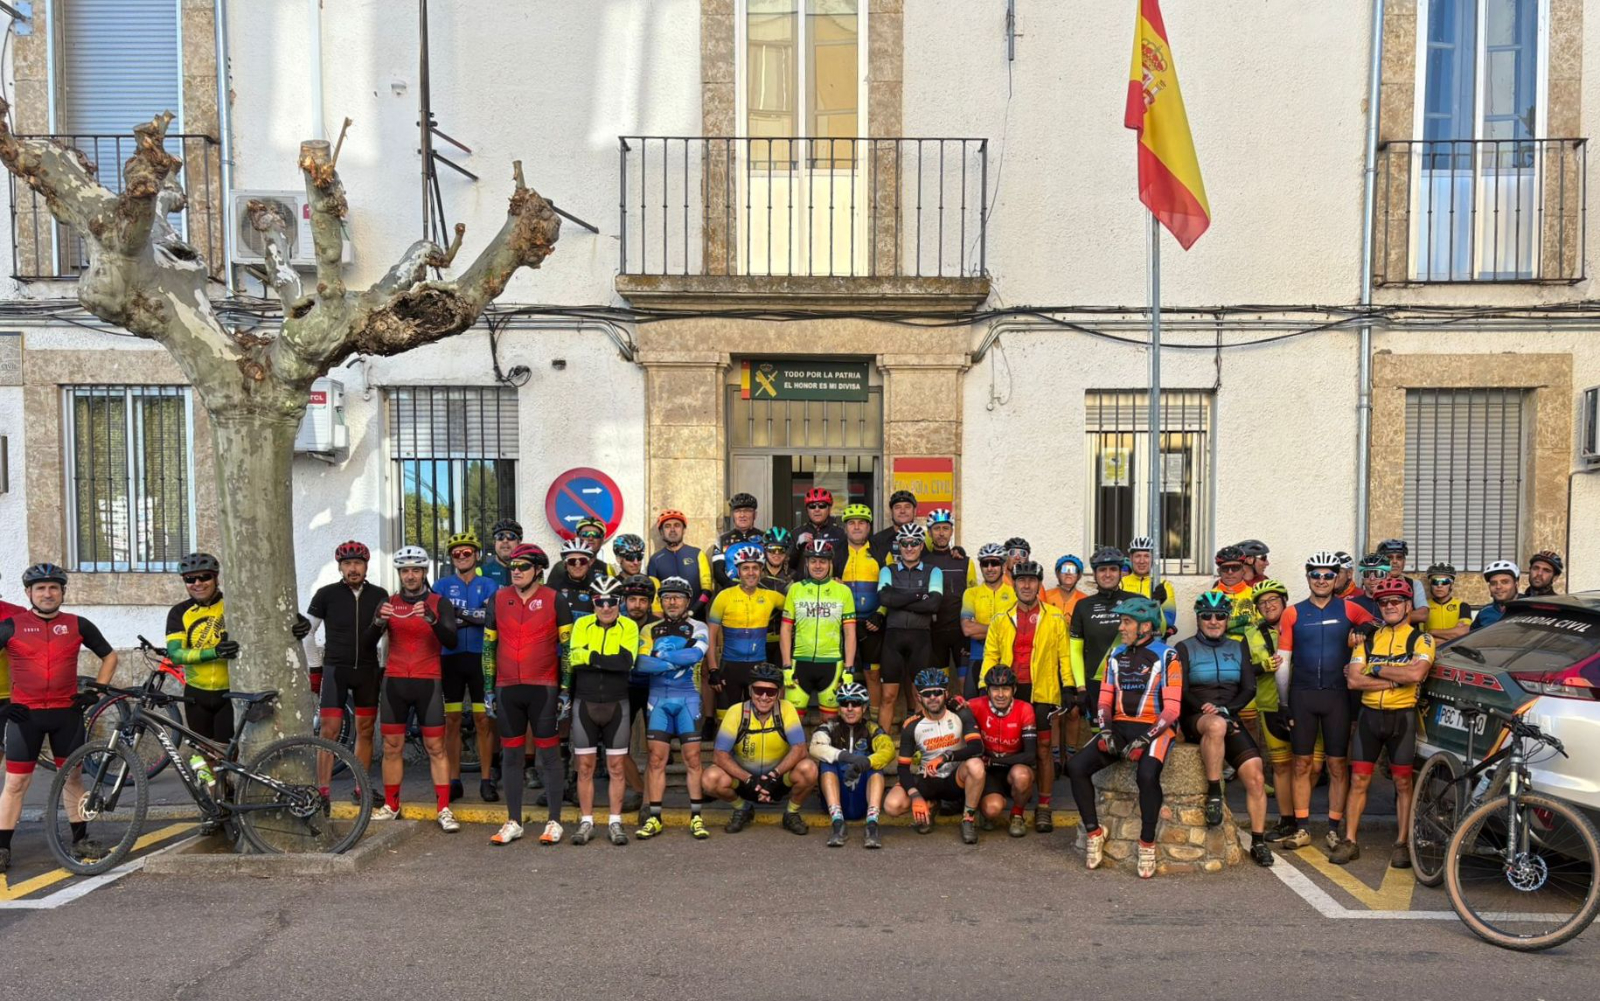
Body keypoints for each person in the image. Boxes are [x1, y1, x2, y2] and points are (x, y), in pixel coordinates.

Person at [0, 564, 119, 871]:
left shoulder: (78, 624)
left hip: (67, 714)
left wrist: (97, 691)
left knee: (72, 777)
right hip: (25, 716)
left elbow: (110, 656)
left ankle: (80, 839)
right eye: (40, 588)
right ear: (28, 593)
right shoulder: (11, 626)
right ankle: (2, 847)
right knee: (16, 782)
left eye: (54, 587)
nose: (47, 593)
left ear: (63, 592)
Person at [1066, 596, 1181, 879]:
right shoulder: (1115, 655)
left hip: (1155, 728)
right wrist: (1105, 730)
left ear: (1146, 626)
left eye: (1126, 622)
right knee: (1076, 767)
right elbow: (1104, 701)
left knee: (1147, 775)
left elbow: (1172, 710)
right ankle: (1094, 832)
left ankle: (1147, 843)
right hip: (1119, 726)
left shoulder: (1168, 656)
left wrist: (1144, 739)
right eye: (1121, 621)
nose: (1120, 627)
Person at [1274, 550, 1376, 851]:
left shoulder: (1350, 608)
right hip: (1302, 695)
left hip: (1338, 696)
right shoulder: (1292, 613)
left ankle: (1333, 828)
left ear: (1337, 578)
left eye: (1328, 575)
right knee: (1301, 764)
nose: (1321, 580)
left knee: (1337, 765)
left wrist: (1364, 628)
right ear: (1308, 578)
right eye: (1315, 575)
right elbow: (1284, 660)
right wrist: (1283, 702)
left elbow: (1377, 623)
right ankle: (1302, 827)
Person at [481, 544, 573, 846]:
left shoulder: (554, 599)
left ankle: (555, 821)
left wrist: (565, 689)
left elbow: (568, 650)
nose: (516, 571)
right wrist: (488, 688)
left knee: (549, 754)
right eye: (513, 566)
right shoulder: (498, 598)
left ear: (538, 570)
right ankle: (514, 821)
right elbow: (488, 647)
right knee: (511, 755)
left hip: (543, 686)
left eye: (523, 566)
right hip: (507, 687)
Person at [1340, 576, 1434, 868]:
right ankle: (1350, 841)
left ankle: (1402, 843)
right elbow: (1354, 681)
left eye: (1396, 601)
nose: (1389, 606)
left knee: (1403, 782)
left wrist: (1377, 667)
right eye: (1383, 602)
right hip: (1369, 717)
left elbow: (1416, 674)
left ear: (1408, 605)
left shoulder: (1421, 639)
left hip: (1402, 718)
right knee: (1358, 780)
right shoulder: (1368, 638)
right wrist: (1394, 680)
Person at [1178, 592, 1273, 867]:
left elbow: (1249, 687)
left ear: (1227, 619)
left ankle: (1258, 841)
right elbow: (1181, 689)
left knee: (1256, 776)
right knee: (1216, 725)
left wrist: (1228, 709)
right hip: (1197, 716)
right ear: (1198, 619)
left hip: (1229, 715)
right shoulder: (1184, 647)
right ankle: (1214, 794)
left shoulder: (1238, 646)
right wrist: (1205, 707)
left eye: (1220, 615)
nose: (1213, 621)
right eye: (1206, 615)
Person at [370, 545, 461, 832]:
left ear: (424, 572)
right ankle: (391, 805)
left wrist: (432, 620)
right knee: (391, 747)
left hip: (428, 681)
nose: (410, 576)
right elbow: (367, 642)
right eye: (405, 571)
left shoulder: (439, 602)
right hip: (395, 681)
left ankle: (444, 809)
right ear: (400, 573)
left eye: (416, 570)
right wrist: (378, 621)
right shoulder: (389, 602)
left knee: (436, 747)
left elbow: (451, 641)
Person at [980, 560, 1071, 832]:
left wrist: (1068, 686)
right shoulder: (1000, 618)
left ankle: (1044, 806)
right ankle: (1013, 795)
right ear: (1014, 584)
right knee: (1009, 743)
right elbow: (991, 655)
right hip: (1009, 690)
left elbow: (1064, 656)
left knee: (1043, 748)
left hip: (1042, 690)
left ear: (1039, 584)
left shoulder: (1055, 617)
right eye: (1021, 580)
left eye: (1032, 580)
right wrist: (984, 685)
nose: (1027, 585)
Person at [303, 540, 388, 784]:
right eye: (347, 563)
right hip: (335, 670)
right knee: (328, 732)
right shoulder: (326, 594)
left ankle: (361, 788)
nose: (353, 569)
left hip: (368, 670)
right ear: (340, 567)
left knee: (366, 731)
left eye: (358, 563)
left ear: (366, 566)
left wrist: (384, 666)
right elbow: (307, 632)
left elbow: (387, 634)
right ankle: (323, 791)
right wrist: (315, 668)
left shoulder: (380, 595)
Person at [634, 576, 711, 841]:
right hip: (658, 701)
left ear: (687, 601)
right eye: (667, 597)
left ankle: (697, 817)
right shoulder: (650, 629)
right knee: (656, 760)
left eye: (677, 597)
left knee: (693, 759)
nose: (672, 602)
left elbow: (695, 655)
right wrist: (675, 662)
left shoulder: (698, 626)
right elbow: (641, 664)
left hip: (688, 699)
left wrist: (660, 657)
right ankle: (654, 818)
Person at [703, 662, 816, 834]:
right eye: (758, 690)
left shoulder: (786, 709)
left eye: (770, 692)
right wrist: (748, 779)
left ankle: (791, 813)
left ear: (779, 693)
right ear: (750, 690)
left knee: (809, 769)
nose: (764, 697)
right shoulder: (736, 712)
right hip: (744, 782)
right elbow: (720, 755)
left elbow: (800, 749)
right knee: (710, 778)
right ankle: (742, 808)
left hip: (778, 780)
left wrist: (774, 775)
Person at [565, 578, 638, 846]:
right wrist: (606, 660)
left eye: (611, 602)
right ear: (593, 603)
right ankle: (586, 821)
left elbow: (626, 662)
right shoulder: (581, 624)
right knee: (585, 767)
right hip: (585, 703)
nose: (606, 607)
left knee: (616, 767)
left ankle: (615, 822)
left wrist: (591, 656)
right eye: (600, 602)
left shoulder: (629, 626)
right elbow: (574, 659)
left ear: (619, 603)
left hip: (617, 704)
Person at [1247, 578, 1317, 849]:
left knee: (1310, 764)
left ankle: (1303, 819)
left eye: (1273, 600)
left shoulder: (1302, 626)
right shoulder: (1251, 634)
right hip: (1270, 705)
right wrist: (1262, 666)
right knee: (1281, 765)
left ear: (1284, 602)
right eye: (1262, 603)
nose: (1268, 606)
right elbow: (1244, 671)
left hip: (1303, 703)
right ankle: (1287, 820)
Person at [433, 530, 500, 803]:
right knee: (452, 721)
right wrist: (473, 615)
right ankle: (454, 780)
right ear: (451, 558)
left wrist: (458, 614)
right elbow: (441, 621)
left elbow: (490, 618)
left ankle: (486, 780)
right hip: (450, 657)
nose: (461, 556)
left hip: (481, 658)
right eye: (456, 553)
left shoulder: (489, 584)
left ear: (477, 555)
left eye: (467, 552)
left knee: (484, 721)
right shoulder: (441, 585)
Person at [883, 669, 986, 844]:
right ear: (918, 697)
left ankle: (968, 819)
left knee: (976, 765)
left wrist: (945, 757)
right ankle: (930, 804)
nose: (932, 697)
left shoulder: (961, 713)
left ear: (946, 693)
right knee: (892, 805)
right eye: (926, 694)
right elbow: (903, 768)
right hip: (928, 780)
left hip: (956, 779)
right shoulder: (912, 725)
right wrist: (915, 797)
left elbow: (977, 747)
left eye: (937, 692)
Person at [706, 544, 786, 730]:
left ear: (761, 571)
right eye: (745, 568)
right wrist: (713, 669)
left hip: (758, 667)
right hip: (729, 668)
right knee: (726, 724)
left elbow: (797, 605)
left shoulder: (771, 597)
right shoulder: (724, 596)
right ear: (738, 571)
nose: (751, 573)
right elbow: (711, 635)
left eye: (755, 568)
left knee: (759, 723)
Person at [165, 552, 240, 748]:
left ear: (216, 578)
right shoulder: (179, 612)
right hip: (196, 695)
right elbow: (176, 654)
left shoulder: (234, 606)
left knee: (226, 752)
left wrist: (298, 625)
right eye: (190, 579)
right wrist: (214, 652)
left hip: (229, 693)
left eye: (204, 577)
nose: (197, 583)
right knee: (203, 751)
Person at [875, 524, 945, 733]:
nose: (909, 547)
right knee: (888, 696)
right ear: (899, 545)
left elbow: (933, 604)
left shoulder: (934, 571)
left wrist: (898, 599)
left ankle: (917, 742)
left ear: (921, 545)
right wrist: (918, 595)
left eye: (914, 543)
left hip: (920, 638)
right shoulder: (888, 570)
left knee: (919, 696)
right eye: (905, 543)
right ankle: (882, 743)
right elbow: (885, 599)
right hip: (893, 638)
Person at [809, 681, 894, 847]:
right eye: (844, 704)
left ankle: (872, 825)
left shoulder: (872, 728)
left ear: (864, 707)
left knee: (876, 766)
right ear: (839, 708)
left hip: (862, 800)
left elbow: (888, 750)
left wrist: (866, 762)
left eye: (855, 704)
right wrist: (849, 758)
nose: (849, 709)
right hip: (836, 799)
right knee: (827, 763)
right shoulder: (829, 727)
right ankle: (838, 824)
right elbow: (815, 747)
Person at [780, 540, 857, 721]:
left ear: (830, 563)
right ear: (806, 563)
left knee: (830, 723)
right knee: (792, 723)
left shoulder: (843, 591)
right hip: (800, 663)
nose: (818, 566)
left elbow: (850, 633)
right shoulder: (795, 589)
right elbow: (785, 629)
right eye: (813, 561)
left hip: (832, 664)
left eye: (823, 561)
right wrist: (786, 666)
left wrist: (849, 669)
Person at [968, 666, 1039, 838]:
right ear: (987, 690)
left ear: (1014, 689)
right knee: (992, 810)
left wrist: (993, 761)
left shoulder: (1025, 709)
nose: (1000, 694)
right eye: (995, 689)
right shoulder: (975, 705)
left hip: (1013, 766)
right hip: (989, 772)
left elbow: (1030, 756)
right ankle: (985, 807)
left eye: (1006, 689)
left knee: (1022, 776)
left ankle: (1017, 815)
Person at [1069, 546, 1137, 721]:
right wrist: (1081, 688)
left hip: (1131, 683)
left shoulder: (1136, 601)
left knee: (1126, 733)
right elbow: (1075, 650)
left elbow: (1156, 635)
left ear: (1120, 573)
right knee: (1100, 734)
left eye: (1113, 569)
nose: (1107, 574)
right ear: (1094, 574)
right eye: (1102, 570)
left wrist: (1158, 606)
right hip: (1095, 683)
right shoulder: (1083, 606)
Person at [839, 504, 885, 713]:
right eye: (852, 523)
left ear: (869, 527)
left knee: (872, 673)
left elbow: (891, 586)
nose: (856, 527)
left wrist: (880, 614)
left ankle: (874, 719)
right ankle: (840, 718)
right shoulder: (837, 553)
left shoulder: (880, 552)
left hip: (871, 623)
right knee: (842, 672)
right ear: (845, 528)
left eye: (862, 523)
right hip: (843, 623)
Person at [922, 508, 972, 684]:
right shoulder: (923, 563)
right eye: (936, 529)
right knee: (939, 686)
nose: (941, 533)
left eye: (945, 528)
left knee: (965, 684)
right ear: (929, 533)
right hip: (935, 634)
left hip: (961, 634)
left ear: (952, 531)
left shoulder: (965, 562)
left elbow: (973, 596)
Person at [960, 543, 1016, 697]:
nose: (990, 568)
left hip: (1007, 656)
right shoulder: (971, 593)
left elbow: (1016, 629)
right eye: (985, 564)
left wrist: (980, 628)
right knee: (973, 702)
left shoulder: (1014, 593)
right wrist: (1001, 629)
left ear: (1003, 566)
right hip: (977, 656)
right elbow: (967, 629)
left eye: (994, 563)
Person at [647, 510, 713, 619]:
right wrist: (660, 621)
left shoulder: (697, 554)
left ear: (684, 530)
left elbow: (707, 590)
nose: (672, 529)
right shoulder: (655, 560)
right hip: (667, 621)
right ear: (661, 532)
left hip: (696, 619)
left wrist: (692, 612)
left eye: (677, 525)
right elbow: (654, 597)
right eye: (667, 526)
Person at [711, 493, 765, 593]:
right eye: (737, 511)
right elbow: (718, 572)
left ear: (755, 515)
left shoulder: (765, 538)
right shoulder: (722, 540)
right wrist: (734, 590)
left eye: (747, 511)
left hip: (760, 593)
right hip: (731, 592)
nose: (742, 515)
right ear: (733, 515)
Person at [1123, 537, 1176, 636]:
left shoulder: (1164, 585)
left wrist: (1158, 606)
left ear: (1153, 559)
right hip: (1126, 637)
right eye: (1137, 556)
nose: (1142, 561)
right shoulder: (1121, 583)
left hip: (1153, 638)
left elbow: (1169, 621)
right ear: (1131, 558)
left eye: (1147, 556)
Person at [791, 487, 849, 578]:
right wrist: (797, 547)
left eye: (822, 506)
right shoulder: (796, 533)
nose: (817, 509)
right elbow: (787, 565)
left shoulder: (840, 533)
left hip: (832, 584)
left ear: (829, 509)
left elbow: (846, 563)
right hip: (804, 584)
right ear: (807, 510)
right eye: (812, 506)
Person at [759, 527, 795, 663]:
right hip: (759, 639)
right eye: (772, 549)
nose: (776, 554)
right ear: (765, 549)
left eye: (781, 549)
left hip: (787, 640)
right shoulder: (755, 575)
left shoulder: (794, 576)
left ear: (787, 552)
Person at [549, 540, 604, 622]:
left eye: (582, 561)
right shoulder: (551, 590)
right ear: (565, 564)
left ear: (589, 563)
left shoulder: (599, 590)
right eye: (572, 561)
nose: (577, 565)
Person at [1376, 539, 1428, 625]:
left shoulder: (1414, 584)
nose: (1394, 561)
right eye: (1389, 557)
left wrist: (1391, 617)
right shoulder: (1374, 583)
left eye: (1399, 557)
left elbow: (1423, 615)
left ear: (1404, 561)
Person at [1422, 564, 1472, 641]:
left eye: (1444, 582)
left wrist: (1432, 631)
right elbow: (1421, 635)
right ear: (1430, 584)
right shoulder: (1423, 606)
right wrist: (1452, 633)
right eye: (1435, 582)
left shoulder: (1462, 606)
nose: (1439, 586)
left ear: (1451, 585)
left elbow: (1464, 633)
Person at [869, 489, 919, 566]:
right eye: (897, 507)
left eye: (907, 507)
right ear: (891, 512)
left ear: (914, 511)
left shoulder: (922, 539)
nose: (902, 511)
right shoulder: (877, 540)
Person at [1471, 561, 1521, 631]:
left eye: (1505, 582)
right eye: (1493, 583)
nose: (1498, 587)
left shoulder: (1530, 607)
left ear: (1516, 584)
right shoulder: (1485, 611)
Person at [480, 518, 524, 587]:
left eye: (511, 536)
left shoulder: (528, 571)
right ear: (494, 542)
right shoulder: (482, 573)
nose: (505, 541)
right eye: (500, 536)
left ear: (519, 542)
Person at [1043, 555, 1084, 620]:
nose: (1068, 573)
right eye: (1064, 569)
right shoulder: (1045, 596)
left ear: (1078, 575)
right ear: (1058, 574)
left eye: (1072, 570)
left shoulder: (1084, 600)